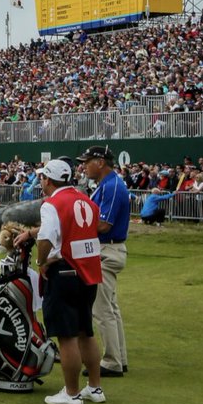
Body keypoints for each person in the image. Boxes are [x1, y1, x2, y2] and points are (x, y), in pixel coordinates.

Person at [14, 158, 104, 404]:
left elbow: (47, 237)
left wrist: (42, 262)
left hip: (65, 272)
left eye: (42, 177)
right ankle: (95, 388)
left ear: (48, 180)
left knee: (67, 337)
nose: (40, 180)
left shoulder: (52, 203)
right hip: (89, 272)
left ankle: (72, 393)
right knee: (86, 331)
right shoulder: (85, 199)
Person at [78, 144, 130, 378]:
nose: (84, 166)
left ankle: (111, 361)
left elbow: (103, 225)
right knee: (111, 308)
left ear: (100, 162)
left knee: (102, 310)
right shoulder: (109, 184)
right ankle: (120, 358)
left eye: (87, 161)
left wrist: (76, 226)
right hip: (110, 248)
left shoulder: (111, 186)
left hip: (106, 249)